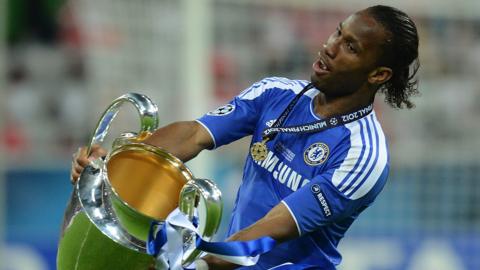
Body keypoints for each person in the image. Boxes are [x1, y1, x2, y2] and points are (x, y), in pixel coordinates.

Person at [71, 5, 419, 270]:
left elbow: (273, 227)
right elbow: (193, 135)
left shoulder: (363, 155)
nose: (329, 47)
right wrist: (110, 167)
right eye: (337, 34)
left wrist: (199, 263)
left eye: (351, 47)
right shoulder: (275, 94)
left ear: (379, 73)